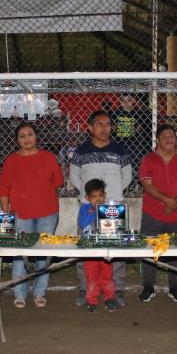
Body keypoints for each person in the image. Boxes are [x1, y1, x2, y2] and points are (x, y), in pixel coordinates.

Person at [69, 110, 132, 307]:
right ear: (90, 127)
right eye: (100, 124)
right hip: (88, 207)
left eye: (108, 124)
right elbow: (74, 177)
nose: (105, 128)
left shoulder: (121, 150)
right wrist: (91, 198)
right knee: (85, 248)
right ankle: (84, 288)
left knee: (115, 249)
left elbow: (127, 177)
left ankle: (117, 289)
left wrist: (110, 197)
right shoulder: (80, 151)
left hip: (113, 208)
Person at [0, 122, 64, 308]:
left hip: (48, 213)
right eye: (22, 136)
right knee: (20, 254)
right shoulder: (11, 160)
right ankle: (19, 293)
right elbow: (3, 189)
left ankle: (40, 292)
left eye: (30, 134)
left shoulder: (49, 157)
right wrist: (5, 215)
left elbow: (58, 181)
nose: (27, 139)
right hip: (21, 215)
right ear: (17, 140)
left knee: (44, 255)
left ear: (36, 136)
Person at [137, 124, 177, 303]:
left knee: (176, 253)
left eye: (172, 136)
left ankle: (175, 288)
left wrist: (175, 202)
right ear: (158, 140)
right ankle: (148, 287)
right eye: (165, 136)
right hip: (152, 213)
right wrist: (167, 200)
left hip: (176, 214)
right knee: (149, 251)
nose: (169, 139)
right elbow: (147, 184)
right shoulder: (149, 159)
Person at [78, 179, 118, 314]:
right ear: (87, 198)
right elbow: (82, 224)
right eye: (94, 197)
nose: (98, 199)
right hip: (90, 249)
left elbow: (115, 225)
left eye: (100, 195)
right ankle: (91, 300)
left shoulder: (109, 209)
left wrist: (105, 213)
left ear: (105, 195)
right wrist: (94, 211)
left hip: (105, 247)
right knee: (91, 276)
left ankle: (109, 298)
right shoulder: (84, 209)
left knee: (107, 274)